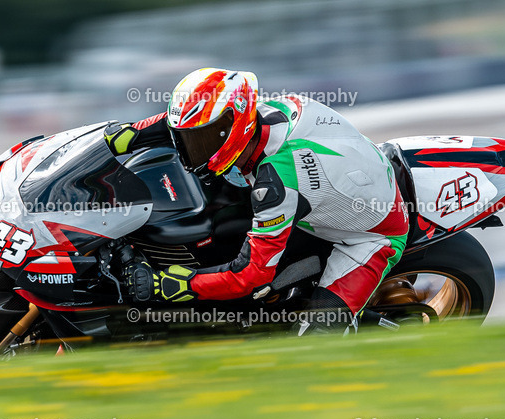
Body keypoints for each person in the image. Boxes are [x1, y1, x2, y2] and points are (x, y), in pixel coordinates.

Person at [111, 68, 408, 332]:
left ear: (232, 128)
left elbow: (250, 275)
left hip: (372, 239)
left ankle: (394, 335)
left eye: (200, 141)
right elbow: (191, 121)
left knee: (316, 343)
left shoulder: (276, 181)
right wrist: (131, 133)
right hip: (347, 183)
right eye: (189, 140)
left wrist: (173, 285)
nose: (191, 149)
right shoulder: (255, 114)